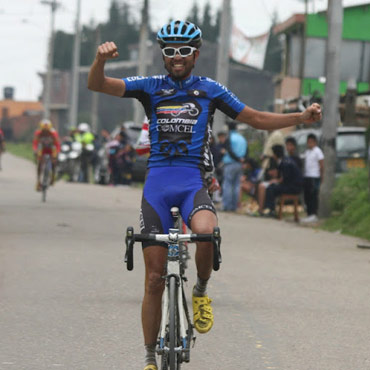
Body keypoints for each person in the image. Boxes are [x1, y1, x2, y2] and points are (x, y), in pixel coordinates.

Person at [87, 20, 322, 370]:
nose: (177, 57)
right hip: (157, 185)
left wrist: (299, 118)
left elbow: (255, 117)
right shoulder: (150, 87)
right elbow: (97, 83)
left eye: (184, 51)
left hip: (191, 180)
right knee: (153, 278)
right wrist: (99, 60)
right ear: (163, 55)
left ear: (196, 54)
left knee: (207, 233)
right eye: (170, 51)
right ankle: (151, 357)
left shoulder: (209, 89)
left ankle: (199, 292)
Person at [263, 144, 303, 217]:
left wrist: (276, 181)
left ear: (276, 154)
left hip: (294, 187)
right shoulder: (285, 161)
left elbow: (286, 179)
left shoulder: (285, 163)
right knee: (272, 186)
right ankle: (271, 209)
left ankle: (270, 210)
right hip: (292, 185)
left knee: (270, 188)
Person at [221, 120, 247, 211]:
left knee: (227, 184)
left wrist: (236, 158)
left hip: (230, 163)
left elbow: (229, 150)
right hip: (240, 164)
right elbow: (246, 151)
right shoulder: (242, 138)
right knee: (236, 185)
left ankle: (226, 206)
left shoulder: (230, 137)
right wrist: (242, 160)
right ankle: (234, 206)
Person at [32, 119, 61, 191]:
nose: (45, 132)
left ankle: (53, 177)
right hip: (42, 150)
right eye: (43, 131)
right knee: (39, 163)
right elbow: (35, 143)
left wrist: (57, 152)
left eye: (47, 131)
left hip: (51, 150)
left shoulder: (53, 133)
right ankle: (38, 181)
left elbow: (57, 144)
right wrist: (35, 150)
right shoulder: (38, 133)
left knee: (54, 162)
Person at [301, 133, 324, 223]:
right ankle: (309, 214)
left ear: (315, 142)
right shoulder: (307, 152)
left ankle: (314, 214)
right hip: (307, 176)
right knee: (307, 196)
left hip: (315, 176)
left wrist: (322, 176)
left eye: (311, 142)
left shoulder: (318, 151)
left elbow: (321, 165)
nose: (309, 144)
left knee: (313, 196)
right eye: (308, 142)